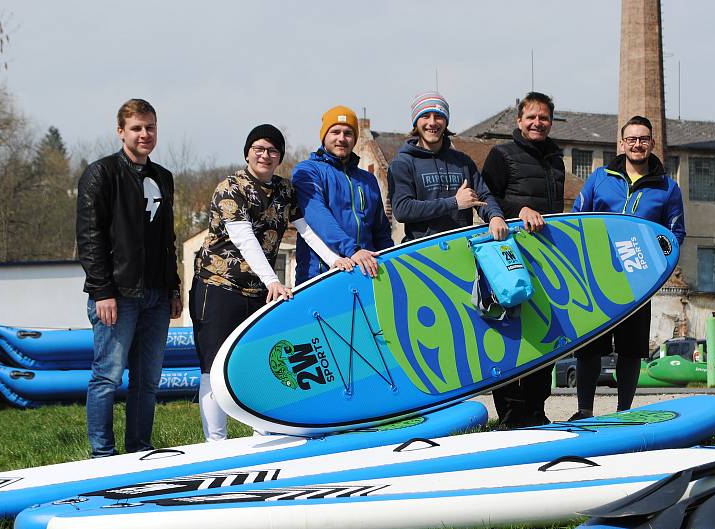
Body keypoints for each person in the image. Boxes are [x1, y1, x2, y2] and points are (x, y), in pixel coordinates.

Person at [190, 124, 353, 441]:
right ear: (248, 152)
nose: (265, 155)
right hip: (219, 285)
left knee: (260, 364)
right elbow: (244, 238)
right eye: (259, 149)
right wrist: (273, 281)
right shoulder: (231, 188)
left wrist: (335, 260)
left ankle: (263, 435)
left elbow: (305, 229)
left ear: (280, 157)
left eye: (273, 150)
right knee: (214, 366)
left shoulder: (284, 190)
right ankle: (216, 444)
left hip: (260, 292)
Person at [76, 98, 182, 457]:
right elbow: (90, 238)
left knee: (147, 381)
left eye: (150, 127)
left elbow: (167, 239)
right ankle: (101, 456)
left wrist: (173, 286)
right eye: (136, 128)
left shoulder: (163, 177)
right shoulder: (101, 174)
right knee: (107, 376)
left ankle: (139, 451)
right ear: (121, 131)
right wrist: (102, 290)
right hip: (116, 294)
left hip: (155, 295)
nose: (144, 134)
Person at [569, 115, 686, 419]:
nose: (637, 144)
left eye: (643, 139)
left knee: (632, 350)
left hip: (639, 281)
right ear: (621, 144)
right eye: (631, 139)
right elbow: (576, 220)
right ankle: (584, 410)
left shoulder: (668, 188)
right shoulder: (600, 178)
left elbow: (675, 235)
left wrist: (657, 268)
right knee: (590, 346)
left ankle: (624, 412)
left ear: (652, 143)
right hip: (596, 277)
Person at [481, 91, 565, 428]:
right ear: (519, 120)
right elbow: (487, 201)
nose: (537, 123)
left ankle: (536, 408)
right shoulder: (501, 154)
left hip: (546, 258)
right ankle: (510, 412)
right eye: (531, 117)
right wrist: (519, 212)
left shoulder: (556, 159)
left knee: (545, 329)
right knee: (508, 330)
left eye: (543, 118)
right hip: (508, 256)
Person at [292, 105, 394, 284]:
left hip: (366, 274)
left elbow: (381, 232)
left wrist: (391, 264)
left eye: (348, 133)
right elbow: (317, 216)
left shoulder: (368, 180)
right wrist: (352, 250)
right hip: (321, 276)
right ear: (324, 136)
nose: (341, 138)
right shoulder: (307, 171)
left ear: (355, 138)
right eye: (335, 132)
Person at [388, 91, 508, 242]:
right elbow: (402, 209)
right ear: (416, 122)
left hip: (463, 248)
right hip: (422, 255)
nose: (432, 122)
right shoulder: (402, 163)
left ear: (446, 121)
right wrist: (454, 203)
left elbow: (483, 196)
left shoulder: (463, 161)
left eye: (438, 116)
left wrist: (495, 216)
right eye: (425, 116)